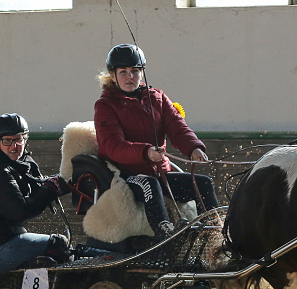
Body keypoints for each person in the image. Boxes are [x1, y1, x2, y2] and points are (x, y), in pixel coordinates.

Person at [94, 43, 219, 239]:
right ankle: (166, 235)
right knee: (149, 184)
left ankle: (215, 232)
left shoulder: (158, 97)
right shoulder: (105, 105)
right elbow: (112, 146)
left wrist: (193, 147)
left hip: (161, 172)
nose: (129, 77)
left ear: (141, 73)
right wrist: (145, 152)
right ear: (112, 75)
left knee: (202, 183)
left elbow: (177, 128)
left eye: (135, 71)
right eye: (123, 72)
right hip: (126, 175)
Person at [0, 113, 71, 276]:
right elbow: (19, 212)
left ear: (25, 140)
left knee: (47, 252)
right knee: (58, 244)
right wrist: (50, 189)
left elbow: (39, 185)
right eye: (7, 141)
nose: (14, 146)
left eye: (18, 140)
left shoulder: (18, 163)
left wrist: (64, 182)